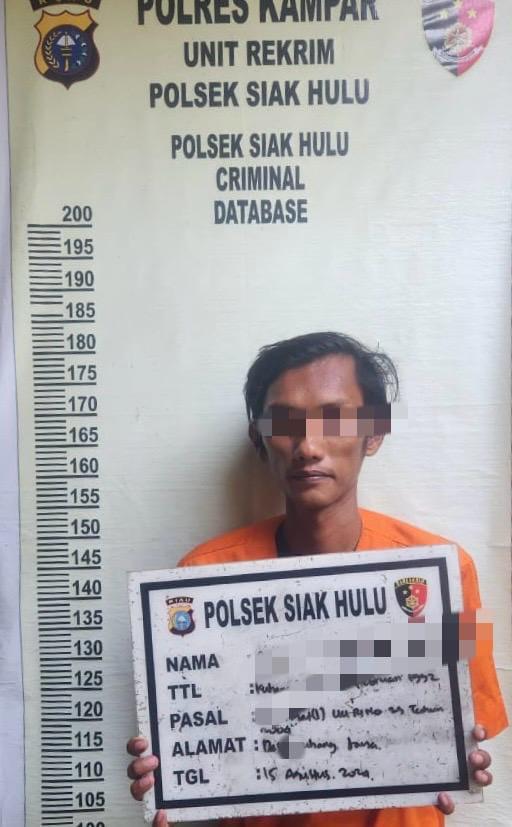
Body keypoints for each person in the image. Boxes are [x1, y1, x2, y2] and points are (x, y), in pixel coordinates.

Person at [127, 332, 507, 827]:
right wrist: (171, 767)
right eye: (284, 423)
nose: (308, 446)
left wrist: (462, 756)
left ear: (374, 432)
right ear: (258, 439)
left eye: (334, 419)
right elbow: (198, 727)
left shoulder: (447, 574)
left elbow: (472, 727)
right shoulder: (198, 580)